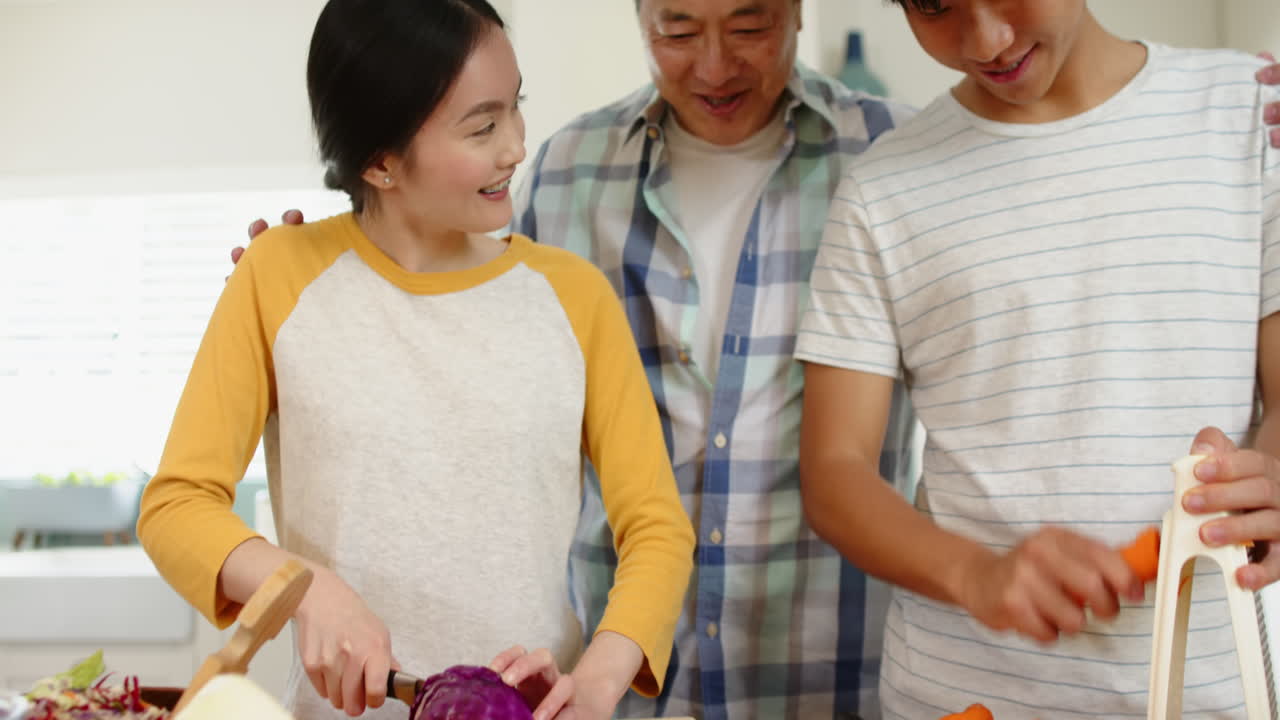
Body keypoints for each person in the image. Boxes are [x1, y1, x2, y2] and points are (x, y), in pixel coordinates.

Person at [240, 1, 1280, 717]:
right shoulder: (560, 172)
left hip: (827, 670)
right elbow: (439, 325)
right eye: (675, 28)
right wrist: (316, 272)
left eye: (748, 24)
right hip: (611, 676)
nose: (713, 63)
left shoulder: (883, 149)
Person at [137, 2, 695, 719]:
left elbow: (654, 525)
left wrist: (595, 682)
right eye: (482, 125)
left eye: (515, 108)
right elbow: (177, 506)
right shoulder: (277, 275)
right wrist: (310, 589)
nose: (516, 146)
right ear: (380, 160)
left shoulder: (572, 297)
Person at [796, 0, 1280, 717]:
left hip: (1209, 692)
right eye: (934, 7)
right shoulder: (881, 189)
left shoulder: (1252, 115)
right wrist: (976, 574)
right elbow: (835, 472)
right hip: (962, 695)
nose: (987, 40)